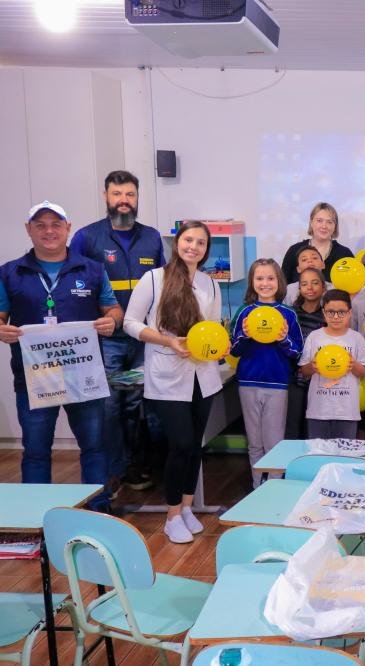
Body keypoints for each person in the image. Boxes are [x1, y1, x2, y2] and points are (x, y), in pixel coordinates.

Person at [0, 201, 122, 510]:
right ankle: (35, 516)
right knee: (36, 450)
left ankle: (98, 510)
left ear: (68, 228)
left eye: (56, 224)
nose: (49, 231)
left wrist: (112, 320)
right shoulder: (10, 273)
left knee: (94, 447)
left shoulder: (92, 269)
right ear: (29, 230)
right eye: (40, 225)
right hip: (34, 378)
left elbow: (113, 308)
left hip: (84, 377)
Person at [123, 221, 224, 543]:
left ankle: (187, 505)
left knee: (195, 446)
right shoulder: (154, 279)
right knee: (179, 445)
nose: (193, 247)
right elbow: (129, 323)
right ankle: (171, 515)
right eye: (188, 240)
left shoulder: (211, 284)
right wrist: (169, 342)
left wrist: (221, 345)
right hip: (167, 377)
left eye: (201, 243)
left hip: (203, 376)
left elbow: (214, 329)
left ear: (207, 250)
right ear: (176, 243)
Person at [70, 170, 165, 493]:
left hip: (142, 338)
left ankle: (134, 469)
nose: (124, 201)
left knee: (137, 404)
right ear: (106, 196)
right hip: (106, 339)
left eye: (130, 195)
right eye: (117, 194)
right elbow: (75, 286)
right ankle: (111, 471)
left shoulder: (151, 237)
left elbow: (164, 285)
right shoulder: (86, 238)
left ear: (137, 198)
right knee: (107, 405)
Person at [231, 259, 303, 487]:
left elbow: (297, 352)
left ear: (279, 281)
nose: (265, 283)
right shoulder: (245, 311)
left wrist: (283, 339)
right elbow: (233, 349)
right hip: (247, 382)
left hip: (277, 383)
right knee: (254, 442)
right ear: (252, 282)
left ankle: (273, 486)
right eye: (259, 278)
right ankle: (256, 485)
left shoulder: (288, 314)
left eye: (270, 278)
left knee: (274, 442)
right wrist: (244, 335)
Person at [299, 289, 365, 438]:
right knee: (318, 453)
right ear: (324, 313)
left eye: (341, 312)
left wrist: (353, 364)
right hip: (318, 410)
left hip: (347, 411)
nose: (336, 316)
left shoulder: (356, 338)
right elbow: (304, 372)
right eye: (331, 312)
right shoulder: (315, 337)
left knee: (343, 455)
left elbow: (363, 373)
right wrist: (313, 366)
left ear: (349, 313)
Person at [285, 267, 327, 439]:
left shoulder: (327, 315)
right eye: (305, 284)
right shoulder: (291, 313)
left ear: (324, 287)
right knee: (293, 428)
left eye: (315, 283)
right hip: (295, 380)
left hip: (320, 380)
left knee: (315, 430)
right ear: (299, 288)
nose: (310, 287)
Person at [280, 202, 353, 284]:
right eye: (319, 221)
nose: (324, 226)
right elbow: (282, 285)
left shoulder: (344, 253)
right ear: (311, 223)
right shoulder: (294, 250)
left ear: (335, 226)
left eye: (329, 222)